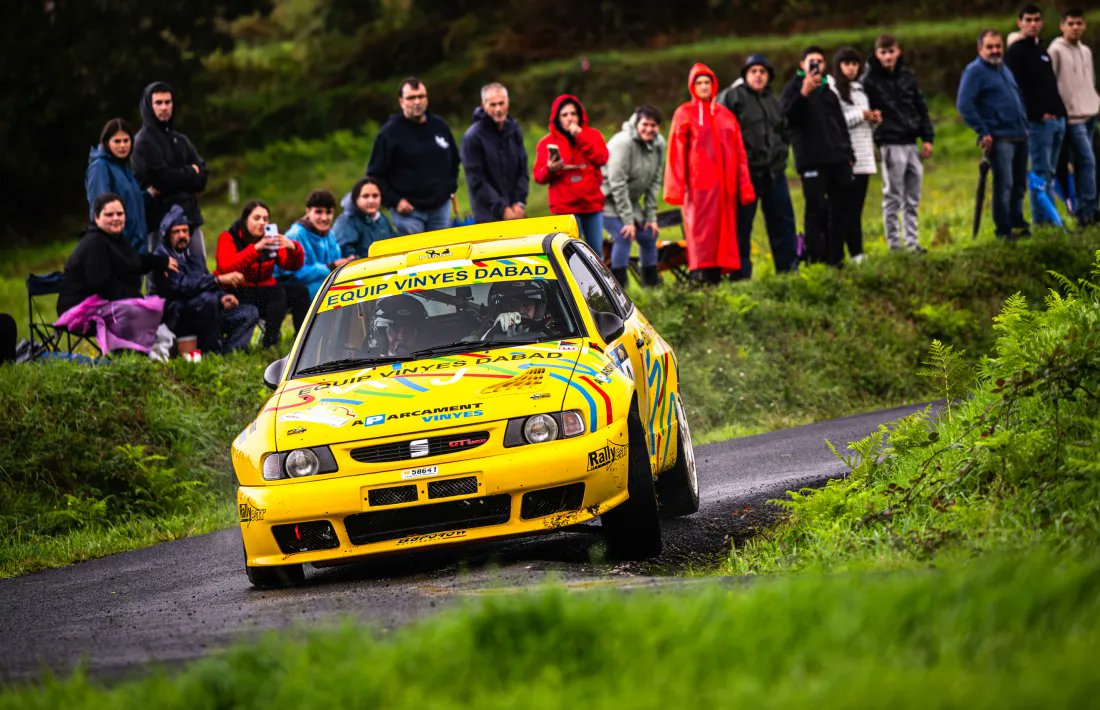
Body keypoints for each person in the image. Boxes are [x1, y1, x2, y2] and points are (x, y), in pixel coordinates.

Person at [664, 64, 755, 284]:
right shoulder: (684, 113)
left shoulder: (726, 116)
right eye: (699, 83)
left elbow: (740, 155)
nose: (704, 87)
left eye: (707, 82)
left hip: (725, 188)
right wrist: (677, 188)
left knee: (724, 232)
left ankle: (720, 272)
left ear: (714, 85)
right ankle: (700, 274)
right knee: (699, 232)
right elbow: (676, 153)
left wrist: (745, 187)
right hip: (698, 188)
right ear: (692, 86)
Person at [55, 193, 178, 355]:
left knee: (151, 308)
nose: (116, 218)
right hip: (80, 309)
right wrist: (133, 297)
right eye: (109, 214)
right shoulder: (95, 242)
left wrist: (160, 262)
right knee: (137, 311)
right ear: (96, 217)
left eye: (120, 214)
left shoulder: (115, 239)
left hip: (103, 303)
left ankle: (157, 355)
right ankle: (131, 359)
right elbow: (99, 283)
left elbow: (132, 262)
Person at [718, 54, 800, 279]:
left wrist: (781, 156)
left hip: (774, 172)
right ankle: (740, 275)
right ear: (745, 75)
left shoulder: (773, 101)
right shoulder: (732, 97)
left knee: (783, 221)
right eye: (753, 71)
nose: (758, 75)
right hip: (746, 174)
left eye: (762, 72)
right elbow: (720, 129)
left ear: (768, 76)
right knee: (742, 225)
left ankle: (788, 270)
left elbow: (784, 132)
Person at [780, 47, 856, 267]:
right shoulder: (793, 89)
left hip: (838, 159)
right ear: (802, 64)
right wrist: (803, 93)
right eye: (812, 61)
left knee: (840, 208)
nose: (816, 65)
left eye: (820, 62)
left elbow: (840, 125)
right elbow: (787, 120)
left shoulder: (829, 91)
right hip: (811, 160)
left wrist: (848, 154)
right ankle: (814, 258)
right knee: (816, 210)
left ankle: (835, 257)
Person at [862, 34, 935, 254]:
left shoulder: (907, 76)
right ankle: (895, 245)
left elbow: (921, 107)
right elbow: (865, 114)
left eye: (891, 51)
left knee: (912, 197)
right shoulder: (868, 81)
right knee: (892, 196)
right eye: (883, 52)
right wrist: (873, 144)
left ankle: (912, 243)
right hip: (890, 143)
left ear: (898, 51)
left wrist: (928, 137)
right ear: (877, 54)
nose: (887, 57)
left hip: (912, 141)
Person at [152, 205, 258, 356]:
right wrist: (218, 280)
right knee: (207, 300)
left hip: (208, 308)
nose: (182, 235)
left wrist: (222, 296)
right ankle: (210, 352)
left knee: (249, 312)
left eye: (185, 231)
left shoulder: (192, 255)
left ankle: (229, 353)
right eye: (176, 232)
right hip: (180, 315)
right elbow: (181, 286)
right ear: (167, 234)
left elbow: (204, 278)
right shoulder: (163, 256)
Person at [958, 30, 1031, 241]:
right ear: (979, 48)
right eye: (990, 47)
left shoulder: (1004, 69)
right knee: (1004, 184)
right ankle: (1004, 230)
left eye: (998, 46)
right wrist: (983, 130)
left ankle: (1018, 224)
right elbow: (964, 105)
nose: (995, 50)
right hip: (1000, 138)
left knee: (1019, 184)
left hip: (1020, 134)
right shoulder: (974, 71)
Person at [366, 78, 460, 236]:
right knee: (417, 258)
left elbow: (455, 162)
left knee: (443, 258)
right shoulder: (389, 133)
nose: (417, 101)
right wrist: (395, 201)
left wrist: (449, 189)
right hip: (409, 214)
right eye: (411, 98)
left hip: (440, 210)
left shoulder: (439, 126)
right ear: (401, 101)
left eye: (421, 96)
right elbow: (374, 175)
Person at [216, 200, 309, 349]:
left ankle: (303, 342)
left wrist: (293, 248)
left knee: (300, 291)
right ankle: (270, 342)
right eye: (256, 218)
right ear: (245, 220)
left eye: (265, 219)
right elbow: (226, 267)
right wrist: (256, 249)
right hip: (236, 290)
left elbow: (291, 265)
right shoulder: (228, 237)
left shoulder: (269, 239)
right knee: (276, 293)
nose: (261, 223)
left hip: (264, 288)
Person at [132, 81, 209, 262]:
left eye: (168, 102)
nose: (164, 107)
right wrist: (191, 172)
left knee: (200, 270)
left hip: (190, 218)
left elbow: (203, 176)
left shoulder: (180, 139)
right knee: (161, 277)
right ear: (149, 106)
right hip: (159, 222)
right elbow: (161, 180)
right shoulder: (142, 142)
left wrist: (181, 176)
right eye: (158, 103)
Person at [1006, 4, 1068, 227]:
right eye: (1028, 20)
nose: (1033, 24)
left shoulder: (1041, 50)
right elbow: (1017, 89)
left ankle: (1049, 222)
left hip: (1058, 119)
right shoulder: (1015, 53)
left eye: (1037, 20)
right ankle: (1044, 224)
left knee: (1050, 174)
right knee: (1040, 175)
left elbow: (1050, 85)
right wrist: (1038, 113)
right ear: (1019, 22)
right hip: (1038, 123)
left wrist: (1061, 113)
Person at [532, 95, 610, 254]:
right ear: (557, 118)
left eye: (573, 114)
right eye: (565, 115)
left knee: (596, 254)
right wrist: (550, 169)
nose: (570, 118)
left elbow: (602, 158)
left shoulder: (592, 135)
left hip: (592, 205)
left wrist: (581, 136)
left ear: (580, 116)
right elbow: (538, 176)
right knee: (573, 255)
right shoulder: (546, 143)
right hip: (565, 207)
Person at [602, 106, 666, 288]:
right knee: (624, 235)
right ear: (637, 123)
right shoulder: (623, 143)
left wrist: (651, 217)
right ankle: (620, 288)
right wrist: (628, 221)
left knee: (648, 234)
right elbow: (617, 183)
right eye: (645, 124)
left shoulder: (659, 144)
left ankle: (651, 286)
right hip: (607, 199)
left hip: (630, 201)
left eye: (653, 125)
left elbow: (654, 181)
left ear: (658, 127)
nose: (648, 129)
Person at [1049, 8, 1099, 226]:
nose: (1075, 27)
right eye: (1071, 23)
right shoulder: (1055, 50)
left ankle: (1084, 208)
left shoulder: (1086, 51)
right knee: (1087, 161)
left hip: (1090, 113)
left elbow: (1090, 81)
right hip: (1071, 117)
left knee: (1083, 163)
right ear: (1062, 26)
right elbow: (1051, 83)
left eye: (1079, 23)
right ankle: (1088, 210)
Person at [832, 46, 881, 262]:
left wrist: (873, 120)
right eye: (846, 64)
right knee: (845, 208)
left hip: (865, 156)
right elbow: (836, 122)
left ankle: (857, 252)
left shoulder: (860, 90)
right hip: (847, 157)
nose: (851, 68)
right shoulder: (834, 91)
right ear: (838, 66)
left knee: (857, 208)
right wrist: (861, 114)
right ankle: (849, 253)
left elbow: (865, 128)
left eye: (854, 64)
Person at [461, 83, 529, 223]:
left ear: (508, 103)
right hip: (488, 215)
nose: (498, 109)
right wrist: (502, 208)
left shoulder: (514, 130)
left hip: (516, 213)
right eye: (492, 105)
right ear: (483, 105)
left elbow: (523, 170)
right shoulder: (473, 137)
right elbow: (476, 180)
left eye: (501, 103)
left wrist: (519, 202)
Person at [275, 189, 354, 300]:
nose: (324, 218)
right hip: (295, 288)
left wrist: (346, 263)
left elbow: (335, 261)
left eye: (328, 212)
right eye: (319, 212)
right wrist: (330, 267)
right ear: (308, 211)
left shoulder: (330, 234)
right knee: (333, 291)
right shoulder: (296, 234)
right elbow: (293, 274)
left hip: (322, 282)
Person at [85, 118, 147, 253]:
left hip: (135, 247)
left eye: (126, 140)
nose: (122, 145)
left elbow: (130, 202)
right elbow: (100, 210)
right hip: (117, 250)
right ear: (107, 142)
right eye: (117, 141)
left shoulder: (125, 167)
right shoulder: (100, 167)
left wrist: (149, 195)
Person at [333, 177, 398, 259]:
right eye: (365, 196)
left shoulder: (382, 219)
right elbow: (346, 252)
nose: (371, 201)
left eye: (375, 196)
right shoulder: (347, 220)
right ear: (356, 199)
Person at [485, 280, 561, 337]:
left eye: (527, 305)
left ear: (537, 309)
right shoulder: (488, 330)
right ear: (502, 309)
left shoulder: (554, 335)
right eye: (512, 306)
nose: (520, 311)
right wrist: (496, 328)